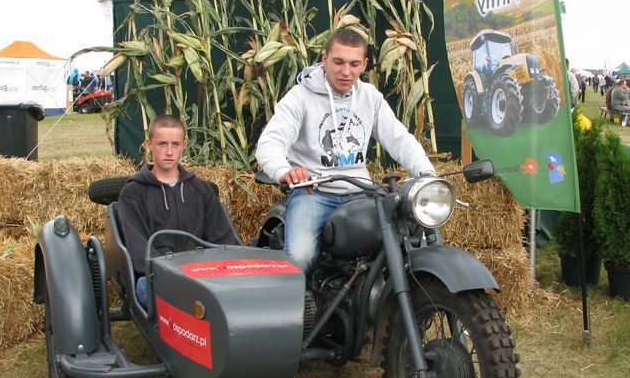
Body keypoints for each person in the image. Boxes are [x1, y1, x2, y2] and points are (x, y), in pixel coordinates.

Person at [256, 28, 435, 271]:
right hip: (314, 193)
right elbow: (270, 143)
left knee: (413, 241)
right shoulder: (300, 97)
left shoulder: (369, 96)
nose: (346, 71)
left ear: (364, 64)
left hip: (362, 192)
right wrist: (284, 171)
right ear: (324, 59)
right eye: (338, 62)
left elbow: (399, 138)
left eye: (354, 64)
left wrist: (426, 173)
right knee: (300, 257)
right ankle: (301, 307)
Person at [117, 114, 238, 306]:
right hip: (157, 276)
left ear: (184, 145)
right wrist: (174, 275)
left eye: (175, 144)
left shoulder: (201, 189)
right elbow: (139, 250)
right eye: (162, 144)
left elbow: (223, 239)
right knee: (148, 288)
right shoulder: (133, 193)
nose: (169, 152)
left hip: (201, 272)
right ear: (149, 144)